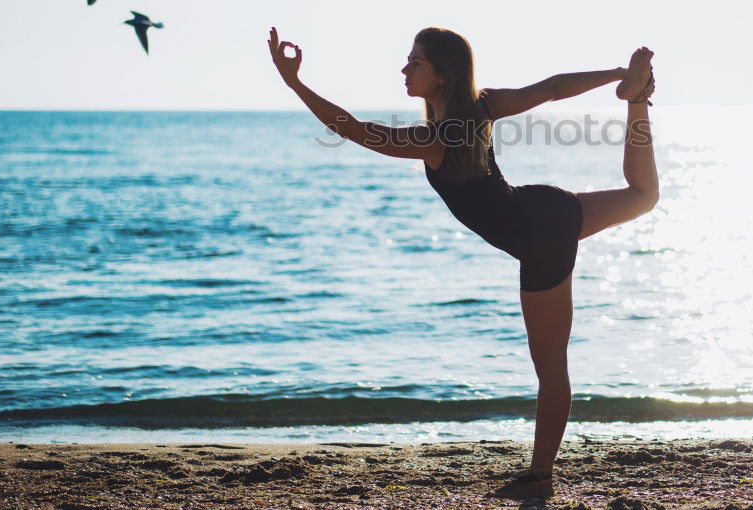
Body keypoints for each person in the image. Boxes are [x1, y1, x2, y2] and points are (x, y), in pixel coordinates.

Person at [268, 26, 659, 499]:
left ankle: (539, 478)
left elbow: (352, 129)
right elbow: (552, 88)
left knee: (551, 367)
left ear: (442, 74)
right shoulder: (481, 108)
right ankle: (636, 97)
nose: (404, 69)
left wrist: (294, 83)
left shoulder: (436, 140)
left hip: (539, 238)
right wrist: (619, 73)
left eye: (415, 62)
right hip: (544, 210)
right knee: (643, 196)